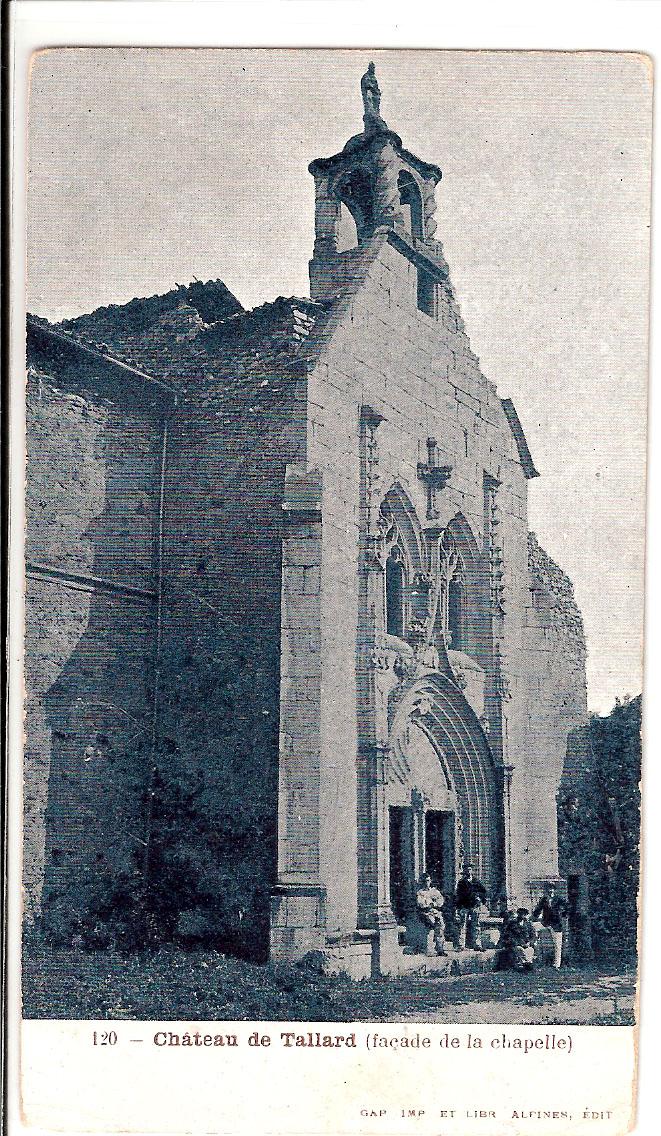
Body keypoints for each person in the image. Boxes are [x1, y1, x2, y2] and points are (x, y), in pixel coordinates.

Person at [532, 882, 568, 969]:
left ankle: (556, 965)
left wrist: (563, 914)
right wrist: (534, 917)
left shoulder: (559, 899)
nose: (550, 891)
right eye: (548, 889)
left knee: (557, 945)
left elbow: (567, 907)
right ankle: (536, 956)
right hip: (545, 922)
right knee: (533, 927)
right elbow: (538, 909)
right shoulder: (544, 900)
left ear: (554, 890)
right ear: (546, 891)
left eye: (552, 889)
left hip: (556, 924)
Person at [454, 864, 488, 950]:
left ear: (472, 871)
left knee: (476, 925)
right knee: (462, 925)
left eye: (470, 869)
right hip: (465, 906)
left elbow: (484, 892)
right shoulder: (461, 883)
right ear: (464, 871)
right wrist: (459, 907)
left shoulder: (476, 882)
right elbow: (458, 895)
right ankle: (461, 945)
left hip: (474, 906)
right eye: (466, 870)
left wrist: (479, 898)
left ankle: (477, 944)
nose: (468, 871)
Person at [416, 874, 447, 956]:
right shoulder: (420, 892)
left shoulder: (434, 891)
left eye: (428, 881)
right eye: (425, 881)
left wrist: (433, 903)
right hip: (425, 913)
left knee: (440, 927)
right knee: (430, 927)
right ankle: (429, 950)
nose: (427, 883)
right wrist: (431, 903)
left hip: (435, 912)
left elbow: (440, 901)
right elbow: (421, 904)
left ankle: (440, 949)